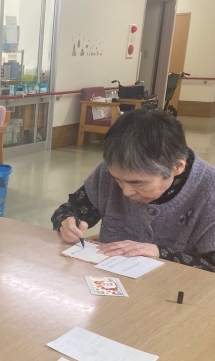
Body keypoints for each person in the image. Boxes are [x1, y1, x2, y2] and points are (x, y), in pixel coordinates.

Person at [52, 109, 215, 272]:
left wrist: (160, 252)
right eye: (117, 180)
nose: (126, 191)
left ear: (177, 166)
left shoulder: (209, 192)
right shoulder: (114, 168)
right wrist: (67, 222)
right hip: (109, 278)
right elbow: (68, 211)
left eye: (138, 183)